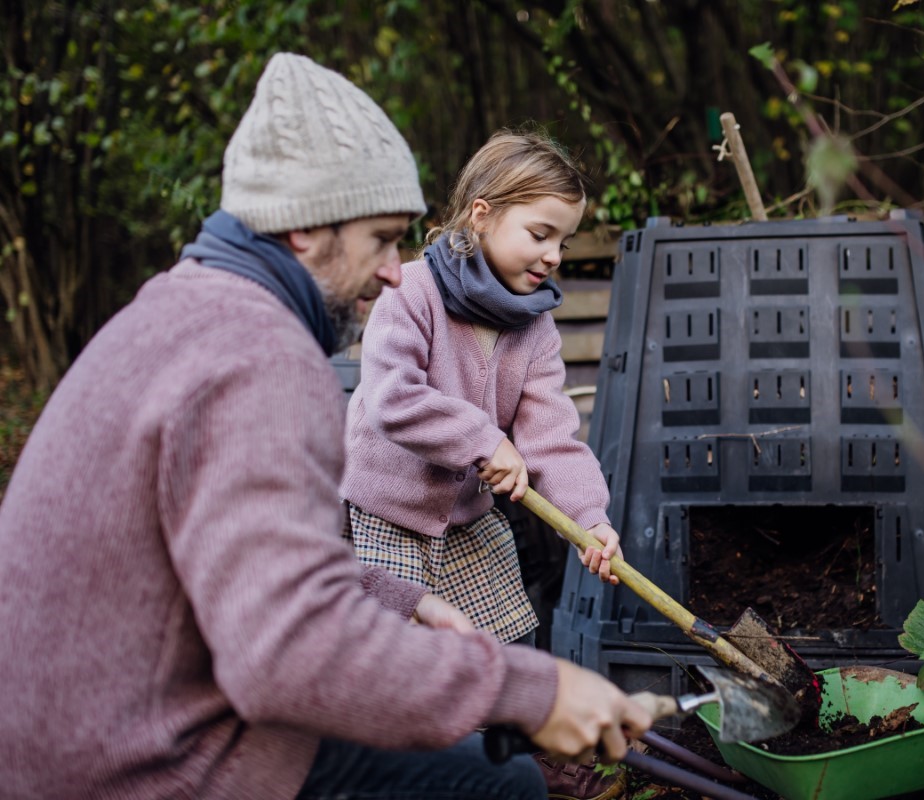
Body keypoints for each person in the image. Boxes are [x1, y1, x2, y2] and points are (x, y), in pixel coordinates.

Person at [0, 53, 649, 800]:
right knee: (502, 791)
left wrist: (400, 602)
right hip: (141, 766)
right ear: (306, 232)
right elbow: (287, 655)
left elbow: (244, 578)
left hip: (104, 729)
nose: (394, 271)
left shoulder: (176, 311)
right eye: (380, 239)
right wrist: (530, 692)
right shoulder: (263, 360)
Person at [340, 131, 622, 650]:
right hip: (384, 517)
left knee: (508, 656)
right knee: (397, 662)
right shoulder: (410, 293)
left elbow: (551, 441)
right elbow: (392, 400)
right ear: (481, 215)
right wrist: (485, 440)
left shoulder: (535, 328)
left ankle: (509, 730)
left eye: (563, 242)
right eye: (540, 234)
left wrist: (590, 520)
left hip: (466, 526)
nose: (554, 255)